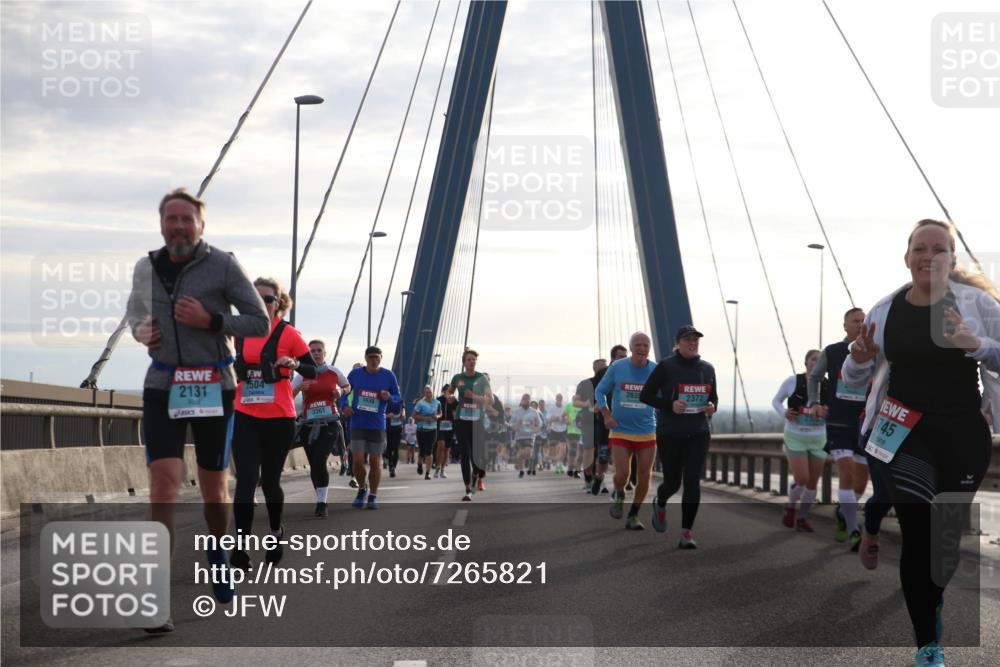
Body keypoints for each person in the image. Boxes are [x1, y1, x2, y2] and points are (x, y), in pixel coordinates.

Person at [842, 219, 999, 666]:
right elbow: (854, 377)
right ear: (907, 257)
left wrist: (977, 344)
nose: (929, 256)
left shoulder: (976, 304)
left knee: (944, 546)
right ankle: (928, 646)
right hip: (903, 433)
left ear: (951, 258)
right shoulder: (885, 310)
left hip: (963, 435)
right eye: (920, 248)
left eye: (939, 248)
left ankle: (932, 599)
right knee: (917, 531)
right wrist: (858, 359)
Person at [127, 188, 269, 630]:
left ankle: (219, 547)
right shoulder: (145, 267)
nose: (179, 226)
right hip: (163, 385)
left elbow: (259, 321)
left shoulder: (223, 264)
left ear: (200, 226)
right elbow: (133, 315)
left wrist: (212, 322)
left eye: (187, 219)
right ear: (161, 225)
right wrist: (141, 331)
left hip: (213, 386)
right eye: (171, 219)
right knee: (163, 485)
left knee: (214, 490)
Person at [230, 277, 317, 568]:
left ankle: (276, 532)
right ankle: (241, 547)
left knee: (269, 481)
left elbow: (312, 370)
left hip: (279, 418)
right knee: (246, 479)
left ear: (278, 303)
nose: (262, 303)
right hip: (245, 414)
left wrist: (295, 364)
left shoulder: (288, 334)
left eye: (268, 299)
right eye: (256, 298)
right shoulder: (240, 333)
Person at [640, 325, 718, 548]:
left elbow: (713, 398)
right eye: (687, 339)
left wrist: (712, 406)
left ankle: (686, 533)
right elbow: (646, 395)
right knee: (672, 483)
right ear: (678, 343)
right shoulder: (666, 366)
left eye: (696, 340)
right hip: (671, 433)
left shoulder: (708, 369)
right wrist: (670, 405)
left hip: (699, 433)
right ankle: (660, 501)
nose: (693, 343)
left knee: (692, 482)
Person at [807, 308, 870, 549]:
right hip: (838, 422)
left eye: (864, 321)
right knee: (846, 473)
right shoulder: (833, 351)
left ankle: (844, 513)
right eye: (855, 321)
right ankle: (854, 530)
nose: (860, 324)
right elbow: (814, 377)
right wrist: (814, 402)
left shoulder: (874, 351)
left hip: (864, 423)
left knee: (860, 484)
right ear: (845, 325)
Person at [595, 333, 658, 530]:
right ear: (631, 348)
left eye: (645, 345)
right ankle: (620, 492)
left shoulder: (655, 370)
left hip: (647, 430)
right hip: (620, 430)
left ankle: (634, 514)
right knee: (622, 474)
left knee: (644, 475)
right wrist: (606, 415)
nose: (642, 348)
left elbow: (664, 396)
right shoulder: (618, 367)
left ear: (649, 348)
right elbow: (600, 391)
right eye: (637, 345)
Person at [292, 339, 350, 517]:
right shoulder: (302, 374)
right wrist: (300, 387)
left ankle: (322, 503)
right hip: (308, 424)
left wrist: (340, 392)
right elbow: (288, 394)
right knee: (314, 464)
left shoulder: (333, 371)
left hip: (329, 422)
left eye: (319, 350)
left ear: (325, 353)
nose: (316, 353)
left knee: (320, 459)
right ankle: (320, 497)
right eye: (312, 351)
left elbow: (347, 386)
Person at [773, 350, 828, 532]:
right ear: (806, 363)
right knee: (802, 478)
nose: (817, 362)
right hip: (796, 437)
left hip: (818, 438)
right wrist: (785, 413)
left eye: (820, 360)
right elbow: (776, 401)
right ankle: (790, 507)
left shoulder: (828, 385)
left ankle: (802, 517)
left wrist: (828, 412)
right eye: (813, 359)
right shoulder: (793, 381)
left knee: (812, 482)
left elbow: (836, 409)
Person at [343, 346, 402, 509]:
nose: (374, 360)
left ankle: (373, 495)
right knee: (357, 461)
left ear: (381, 358)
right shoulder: (355, 374)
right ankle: (362, 489)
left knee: (375, 462)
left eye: (377, 357)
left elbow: (398, 399)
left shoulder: (388, 375)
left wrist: (389, 397)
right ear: (366, 358)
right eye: (371, 357)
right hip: (357, 423)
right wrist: (344, 407)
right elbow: (345, 392)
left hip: (377, 425)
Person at [448, 349, 496, 501]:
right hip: (461, 420)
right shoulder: (457, 378)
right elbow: (449, 392)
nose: (471, 362)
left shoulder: (482, 378)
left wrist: (473, 396)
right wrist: (449, 397)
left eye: (474, 360)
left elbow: (490, 400)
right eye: (469, 359)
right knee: (465, 454)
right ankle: (468, 488)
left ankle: (476, 475)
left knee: (477, 456)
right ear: (464, 362)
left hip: (477, 421)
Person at [412, 385, 441, 480]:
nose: (429, 394)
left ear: (432, 392)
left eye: (430, 392)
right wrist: (425, 418)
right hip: (421, 430)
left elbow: (440, 413)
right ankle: (420, 464)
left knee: (429, 451)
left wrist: (437, 416)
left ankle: (427, 473)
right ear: (424, 393)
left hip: (432, 429)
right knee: (422, 450)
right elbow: (414, 415)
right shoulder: (420, 403)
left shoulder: (437, 402)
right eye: (427, 392)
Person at [512, 393, 543, 477]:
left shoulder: (534, 412)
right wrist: (514, 427)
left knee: (528, 453)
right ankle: (521, 471)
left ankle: (519, 457)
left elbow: (540, 423)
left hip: (529, 436)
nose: (526, 401)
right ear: (521, 401)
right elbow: (511, 423)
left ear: (530, 401)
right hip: (519, 436)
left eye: (528, 399)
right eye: (524, 399)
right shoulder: (516, 411)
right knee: (521, 455)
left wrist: (536, 428)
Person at [435, 383, 455, 478]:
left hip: (450, 427)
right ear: (443, 391)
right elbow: (435, 411)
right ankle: (437, 468)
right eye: (446, 390)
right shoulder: (438, 400)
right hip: (440, 426)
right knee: (441, 445)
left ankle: (442, 470)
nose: (448, 391)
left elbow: (456, 413)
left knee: (447, 449)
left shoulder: (454, 401)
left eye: (450, 390)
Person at [547, 393, 569, 474]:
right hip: (554, 430)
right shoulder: (552, 407)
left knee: (563, 449)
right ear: (556, 399)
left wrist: (564, 419)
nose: (559, 400)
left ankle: (560, 464)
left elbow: (567, 420)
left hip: (563, 430)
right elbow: (548, 419)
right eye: (558, 398)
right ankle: (557, 464)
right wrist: (556, 418)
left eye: (560, 398)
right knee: (555, 449)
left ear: (562, 399)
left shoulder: (565, 407)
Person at [385, 398, 405, 478]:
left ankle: (393, 467)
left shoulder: (401, 401)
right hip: (388, 427)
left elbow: (403, 414)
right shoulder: (386, 400)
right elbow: (381, 414)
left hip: (398, 428)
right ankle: (389, 464)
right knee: (389, 447)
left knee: (395, 447)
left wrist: (400, 415)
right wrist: (388, 416)